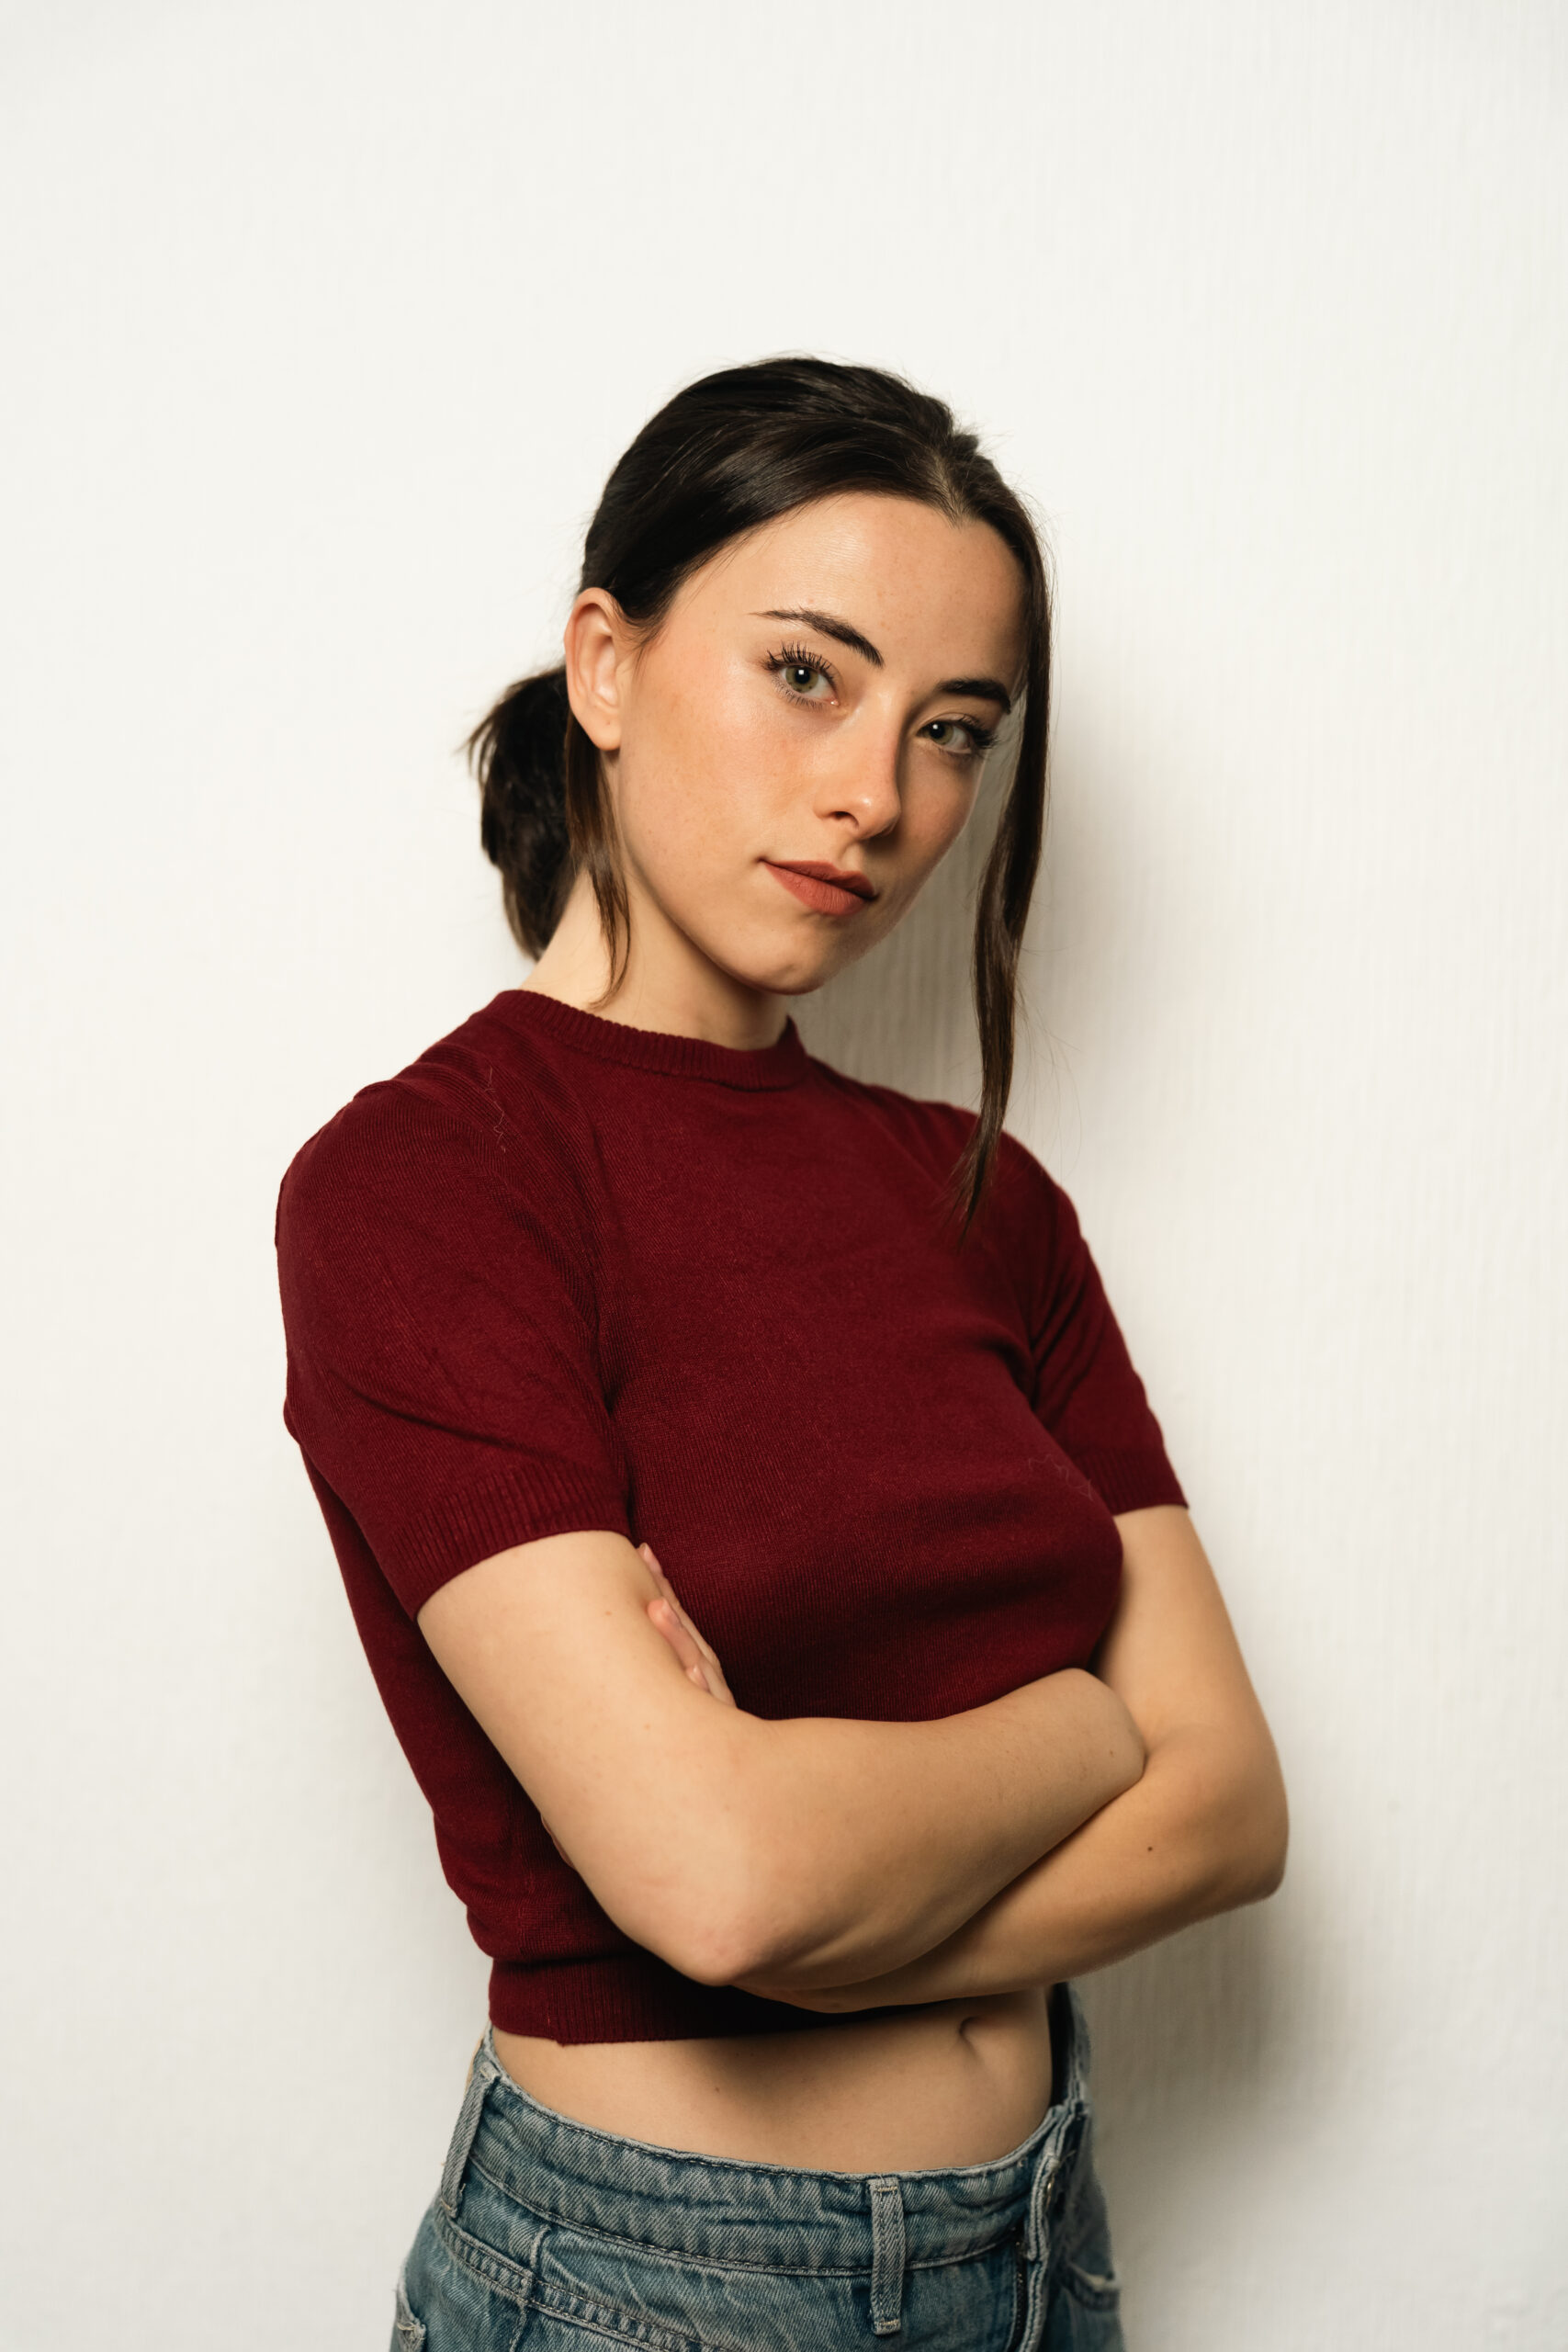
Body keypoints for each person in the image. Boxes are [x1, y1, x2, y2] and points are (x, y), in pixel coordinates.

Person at [276, 357, 1288, 2352]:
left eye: (952, 730)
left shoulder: (986, 1195)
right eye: (806, 675)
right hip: (657, 2280)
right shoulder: (428, 1182)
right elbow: (722, 1881)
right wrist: (1087, 1728)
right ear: (606, 662)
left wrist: (830, 1917)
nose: (878, 796)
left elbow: (1233, 1809)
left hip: (1042, 2249)